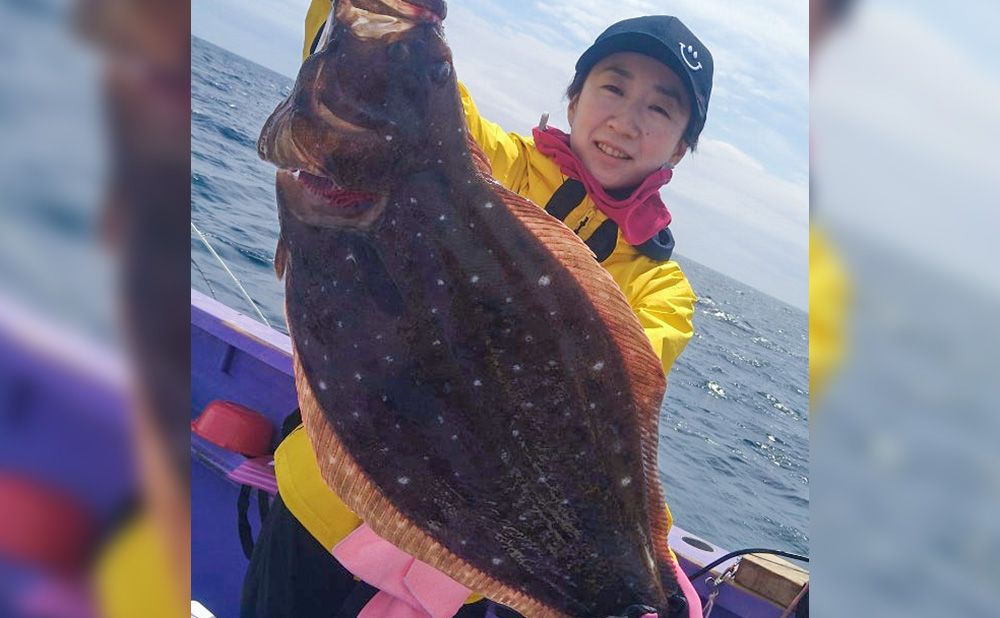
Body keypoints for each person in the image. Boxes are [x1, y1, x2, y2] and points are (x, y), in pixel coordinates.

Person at [242, 6, 714, 618]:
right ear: (574, 100)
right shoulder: (480, 158)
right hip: (327, 501)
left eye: (660, 108)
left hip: (455, 568)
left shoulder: (662, 288)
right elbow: (381, 79)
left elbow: (615, 399)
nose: (626, 120)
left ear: (680, 148)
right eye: (613, 86)